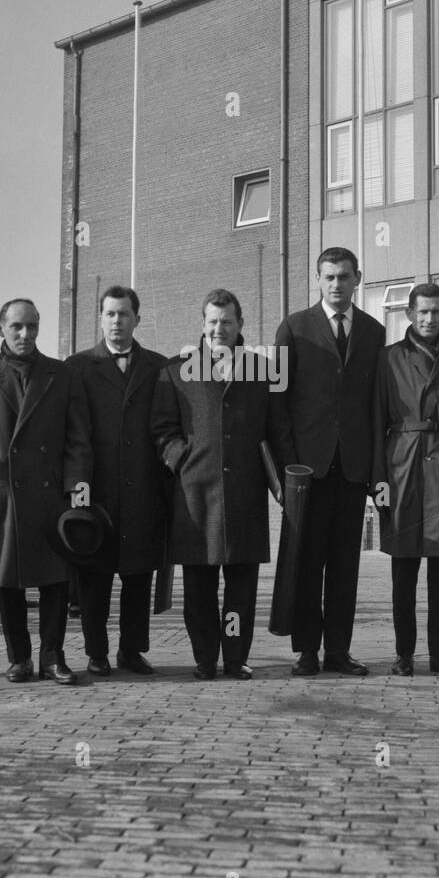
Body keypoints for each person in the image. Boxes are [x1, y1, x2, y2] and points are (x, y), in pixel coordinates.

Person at [153, 288, 292, 680]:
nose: (219, 329)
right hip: (195, 495)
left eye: (227, 321)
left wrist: (285, 485)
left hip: (245, 494)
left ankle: (234, 658)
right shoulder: (176, 371)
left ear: (240, 325)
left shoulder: (263, 370)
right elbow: (162, 430)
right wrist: (182, 459)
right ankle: (204, 659)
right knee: (198, 586)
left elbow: (278, 430)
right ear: (202, 325)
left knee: (241, 588)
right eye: (212, 321)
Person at [0, 298, 92, 685]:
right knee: (7, 578)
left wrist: (76, 490)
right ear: (1, 328)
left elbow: (79, 440)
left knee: (55, 579)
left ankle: (53, 656)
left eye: (31, 326)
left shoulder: (61, 375)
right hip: (4, 492)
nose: (25, 334)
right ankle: (18, 658)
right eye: (16, 326)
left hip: (53, 493)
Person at [272, 247, 384, 677]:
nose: (336, 284)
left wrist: (374, 471)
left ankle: (339, 650)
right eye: (328, 277)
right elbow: (278, 405)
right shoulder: (294, 328)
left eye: (344, 276)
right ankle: (307, 652)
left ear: (357, 279)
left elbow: (376, 407)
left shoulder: (374, 332)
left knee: (344, 565)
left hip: (352, 469)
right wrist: (288, 469)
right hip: (306, 472)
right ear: (317, 280)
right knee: (306, 562)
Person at [371, 283, 439, 677]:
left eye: (436, 312)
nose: (429, 319)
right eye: (422, 312)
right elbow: (375, 422)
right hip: (403, 466)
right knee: (404, 571)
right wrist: (378, 480)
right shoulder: (387, 359)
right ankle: (403, 654)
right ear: (409, 314)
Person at [66, 285, 168, 676]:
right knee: (95, 577)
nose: (116, 322)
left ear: (137, 319)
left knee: (138, 575)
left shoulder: (158, 367)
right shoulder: (78, 366)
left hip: (143, 489)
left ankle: (131, 650)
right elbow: (73, 432)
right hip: (98, 490)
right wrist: (78, 484)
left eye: (124, 314)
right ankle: (96, 651)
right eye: (109, 314)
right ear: (101, 318)